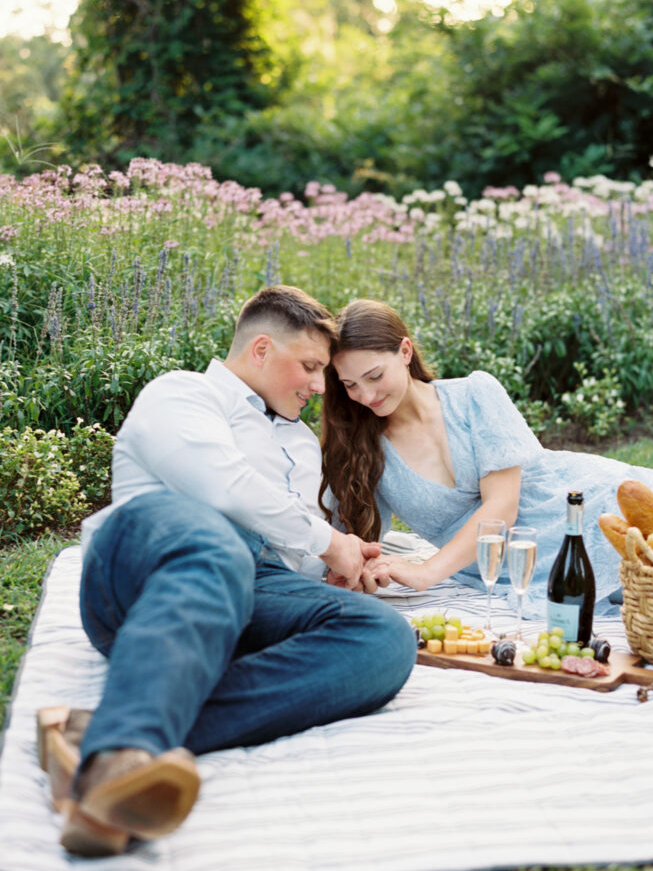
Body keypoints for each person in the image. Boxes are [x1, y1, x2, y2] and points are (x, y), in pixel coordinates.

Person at [38, 286, 416, 858]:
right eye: (312, 367)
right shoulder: (182, 393)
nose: (320, 387)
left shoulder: (296, 437)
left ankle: (105, 742)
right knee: (216, 539)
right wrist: (329, 542)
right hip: (147, 569)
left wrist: (330, 567)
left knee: (383, 638)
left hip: (245, 587)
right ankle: (124, 746)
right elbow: (224, 487)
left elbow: (290, 546)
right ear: (261, 349)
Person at [319, 298, 653, 611]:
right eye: (351, 385)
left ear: (405, 351)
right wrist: (353, 568)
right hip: (513, 567)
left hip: (581, 503)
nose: (366, 396)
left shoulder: (476, 393)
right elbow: (349, 538)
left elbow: (502, 507)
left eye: (374, 376)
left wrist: (427, 572)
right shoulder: (360, 449)